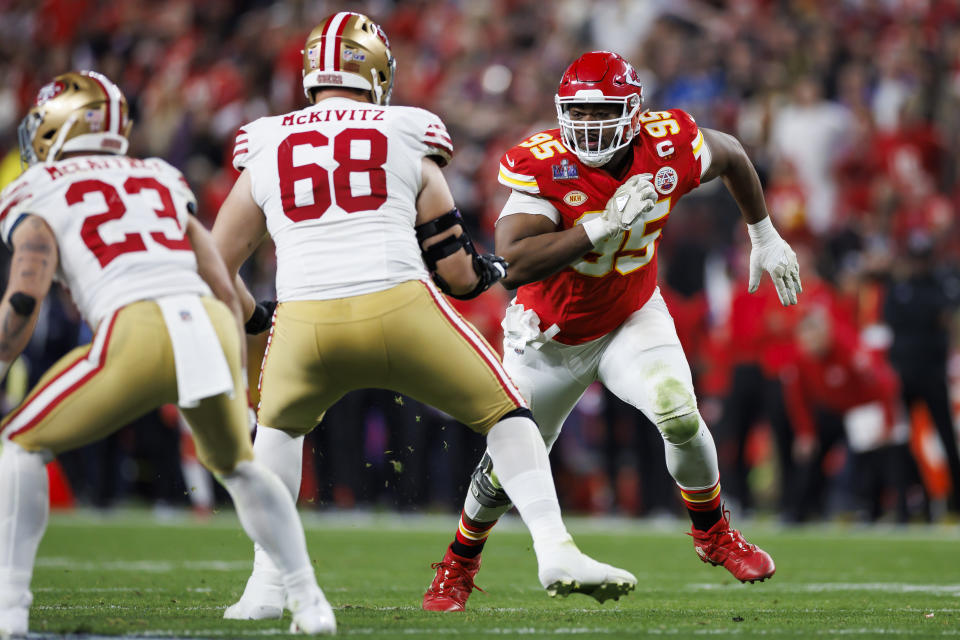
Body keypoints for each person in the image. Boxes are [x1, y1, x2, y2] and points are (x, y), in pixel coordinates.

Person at [211, 12, 637, 621]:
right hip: (398, 307)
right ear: (378, 72)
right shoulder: (407, 130)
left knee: (276, 432)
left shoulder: (267, 141)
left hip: (304, 326)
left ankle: (265, 584)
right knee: (510, 410)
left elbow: (217, 263)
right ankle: (555, 547)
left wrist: (259, 322)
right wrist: (491, 272)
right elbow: (457, 274)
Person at [423, 51, 803, 612]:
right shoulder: (542, 163)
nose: (590, 123)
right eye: (578, 111)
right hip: (548, 337)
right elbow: (514, 262)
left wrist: (763, 232)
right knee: (509, 464)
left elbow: (732, 155)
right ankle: (457, 566)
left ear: (633, 110)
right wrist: (600, 226)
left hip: (631, 315)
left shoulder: (669, 141)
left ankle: (713, 532)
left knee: (678, 410)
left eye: (603, 109)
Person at [0, 71, 333, 635]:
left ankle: (8, 612)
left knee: (19, 444)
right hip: (204, 321)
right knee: (241, 468)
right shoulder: (159, 175)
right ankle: (310, 603)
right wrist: (239, 369)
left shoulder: (38, 185)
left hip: (134, 325)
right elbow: (222, 284)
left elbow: (26, 293)